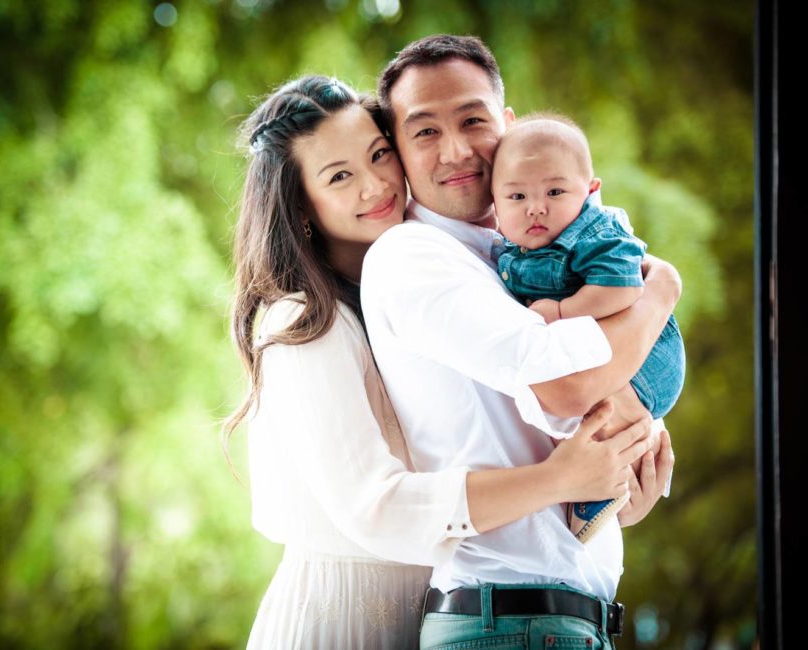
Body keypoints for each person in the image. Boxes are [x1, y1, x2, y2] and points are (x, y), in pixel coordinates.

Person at [225, 75, 654, 649]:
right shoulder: (303, 323)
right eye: (340, 176)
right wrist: (556, 480)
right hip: (344, 620)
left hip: (439, 609)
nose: (375, 184)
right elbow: (374, 506)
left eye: (379, 155)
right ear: (302, 205)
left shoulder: (423, 285)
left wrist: (611, 491)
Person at [361, 35, 679, 648]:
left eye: (472, 120)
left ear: (507, 126)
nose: (456, 150)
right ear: (398, 153)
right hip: (506, 620)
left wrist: (623, 492)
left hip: (558, 617)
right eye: (424, 132)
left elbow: (568, 422)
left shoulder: (514, 255)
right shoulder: (415, 256)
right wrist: (661, 290)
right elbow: (563, 387)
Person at [491, 113, 686, 542]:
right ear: (496, 203)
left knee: (597, 414)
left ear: (591, 190)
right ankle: (608, 489)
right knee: (573, 419)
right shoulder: (508, 249)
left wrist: (562, 313)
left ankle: (604, 493)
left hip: (651, 360)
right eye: (517, 196)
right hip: (614, 354)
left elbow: (621, 288)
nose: (536, 206)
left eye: (555, 192)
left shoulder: (597, 231)